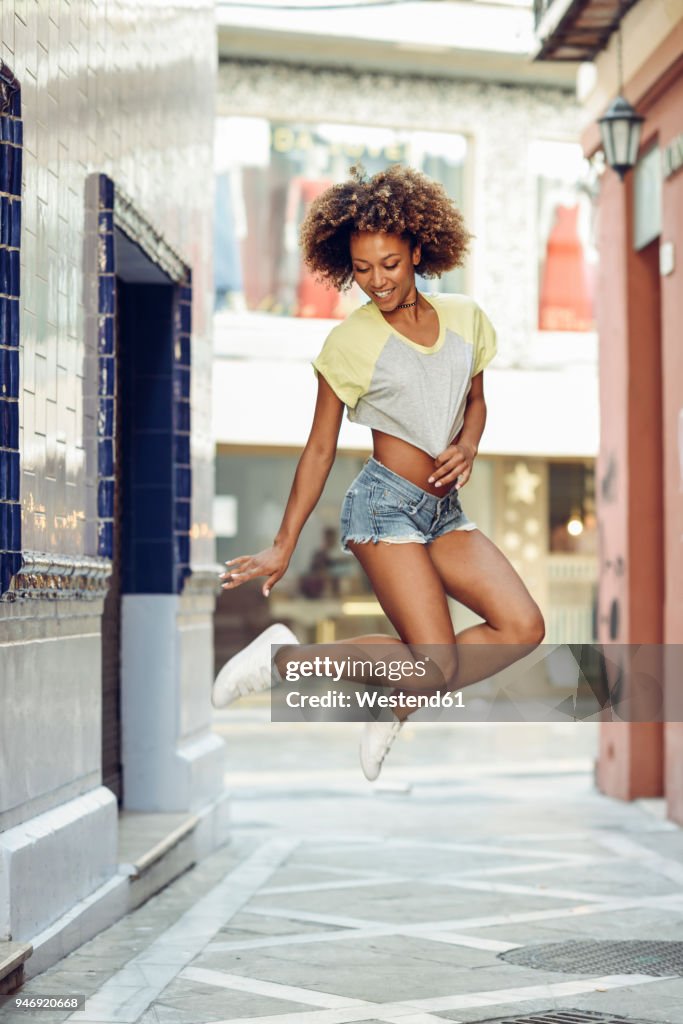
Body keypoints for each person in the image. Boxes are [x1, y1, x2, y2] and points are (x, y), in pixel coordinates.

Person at [212, 165, 545, 780]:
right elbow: (319, 449)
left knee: (522, 626)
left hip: (444, 510)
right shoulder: (349, 343)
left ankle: (399, 698)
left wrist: (469, 446)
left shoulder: (466, 318)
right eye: (362, 270)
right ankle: (285, 659)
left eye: (389, 264)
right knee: (435, 662)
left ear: (418, 250)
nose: (377, 281)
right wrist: (283, 545)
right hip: (383, 508)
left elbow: (475, 402)